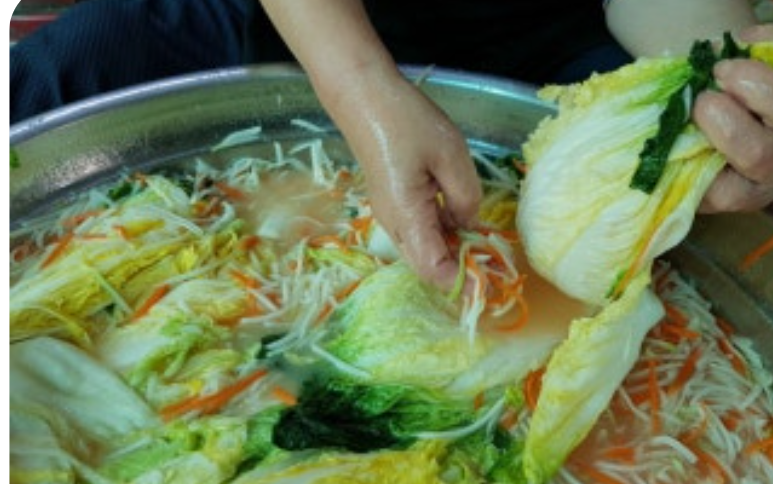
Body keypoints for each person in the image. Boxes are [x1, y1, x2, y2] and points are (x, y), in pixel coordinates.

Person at [11, 0, 773, 290]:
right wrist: (361, 90)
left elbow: (676, 16)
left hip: (547, 43)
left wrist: (718, 87)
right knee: (60, 73)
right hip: (292, 17)